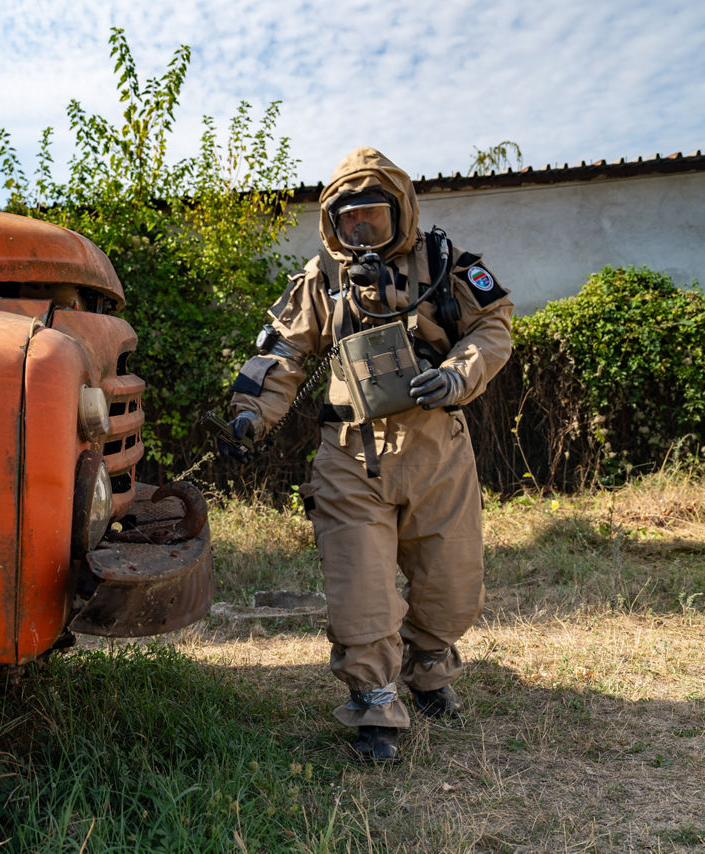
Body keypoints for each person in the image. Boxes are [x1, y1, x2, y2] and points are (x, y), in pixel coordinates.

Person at [222, 147, 513, 762]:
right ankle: (376, 707)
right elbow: (282, 354)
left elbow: (494, 328)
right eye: (348, 221)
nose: (360, 232)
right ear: (331, 221)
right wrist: (252, 414)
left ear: (399, 212)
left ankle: (430, 671)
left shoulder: (444, 263)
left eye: (373, 219)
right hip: (351, 456)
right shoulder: (321, 279)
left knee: (452, 589)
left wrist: (459, 375)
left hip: (438, 450)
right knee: (362, 594)